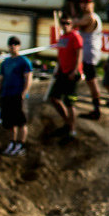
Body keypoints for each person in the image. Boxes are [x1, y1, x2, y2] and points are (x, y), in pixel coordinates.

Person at [48, 15, 83, 147]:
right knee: (54, 98)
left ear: (72, 24)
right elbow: (60, 54)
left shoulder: (75, 36)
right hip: (62, 72)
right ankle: (67, 122)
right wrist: (58, 68)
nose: (65, 25)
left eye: (67, 23)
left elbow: (79, 53)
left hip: (72, 73)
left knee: (70, 102)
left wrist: (75, 70)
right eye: (63, 23)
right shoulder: (62, 38)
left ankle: (72, 130)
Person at [0, 36, 34, 156]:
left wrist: (24, 93)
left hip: (18, 94)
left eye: (15, 44)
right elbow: (1, 80)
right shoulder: (5, 63)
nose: (13, 46)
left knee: (21, 121)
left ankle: (20, 144)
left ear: (19, 46)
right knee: (9, 122)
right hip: (6, 94)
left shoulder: (23, 61)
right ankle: (12, 142)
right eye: (11, 44)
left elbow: (28, 78)